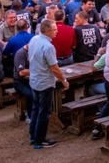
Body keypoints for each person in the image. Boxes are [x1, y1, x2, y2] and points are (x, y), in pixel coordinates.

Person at [28, 19, 69, 149]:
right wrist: (64, 80)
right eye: (54, 29)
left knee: (35, 109)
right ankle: (39, 140)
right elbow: (55, 68)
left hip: (34, 79)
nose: (57, 31)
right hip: (45, 82)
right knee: (44, 112)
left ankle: (33, 136)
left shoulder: (34, 39)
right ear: (47, 31)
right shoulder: (49, 47)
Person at [12, 43, 33, 123]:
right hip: (19, 81)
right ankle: (29, 115)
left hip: (31, 79)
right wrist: (37, 70)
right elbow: (21, 72)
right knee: (30, 94)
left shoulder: (34, 51)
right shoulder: (20, 53)